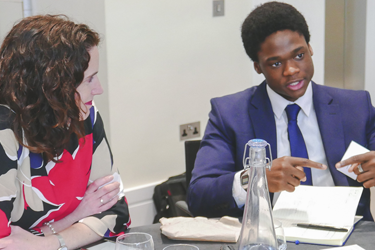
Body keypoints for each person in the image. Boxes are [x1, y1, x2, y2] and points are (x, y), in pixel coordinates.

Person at [187, 1, 375, 220]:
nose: (292, 70)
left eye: (299, 55)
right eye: (275, 64)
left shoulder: (355, 106)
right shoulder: (229, 114)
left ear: (310, 48)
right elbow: (199, 196)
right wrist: (257, 178)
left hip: (349, 234)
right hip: (270, 236)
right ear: (258, 66)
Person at [0, 15, 130, 249]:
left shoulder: (83, 114)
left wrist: (48, 242)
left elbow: (116, 213)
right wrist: (77, 216)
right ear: (52, 86)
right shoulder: (4, 128)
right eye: (89, 79)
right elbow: (6, 242)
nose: (98, 89)